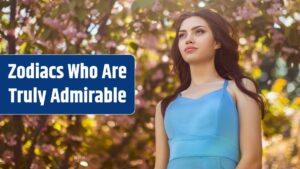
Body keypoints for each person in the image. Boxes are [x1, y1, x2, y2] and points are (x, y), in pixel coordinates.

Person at [154, 8, 266, 169]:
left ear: (217, 42)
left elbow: (253, 160)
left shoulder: (239, 87)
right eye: (182, 35)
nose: (189, 39)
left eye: (199, 32)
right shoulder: (164, 107)